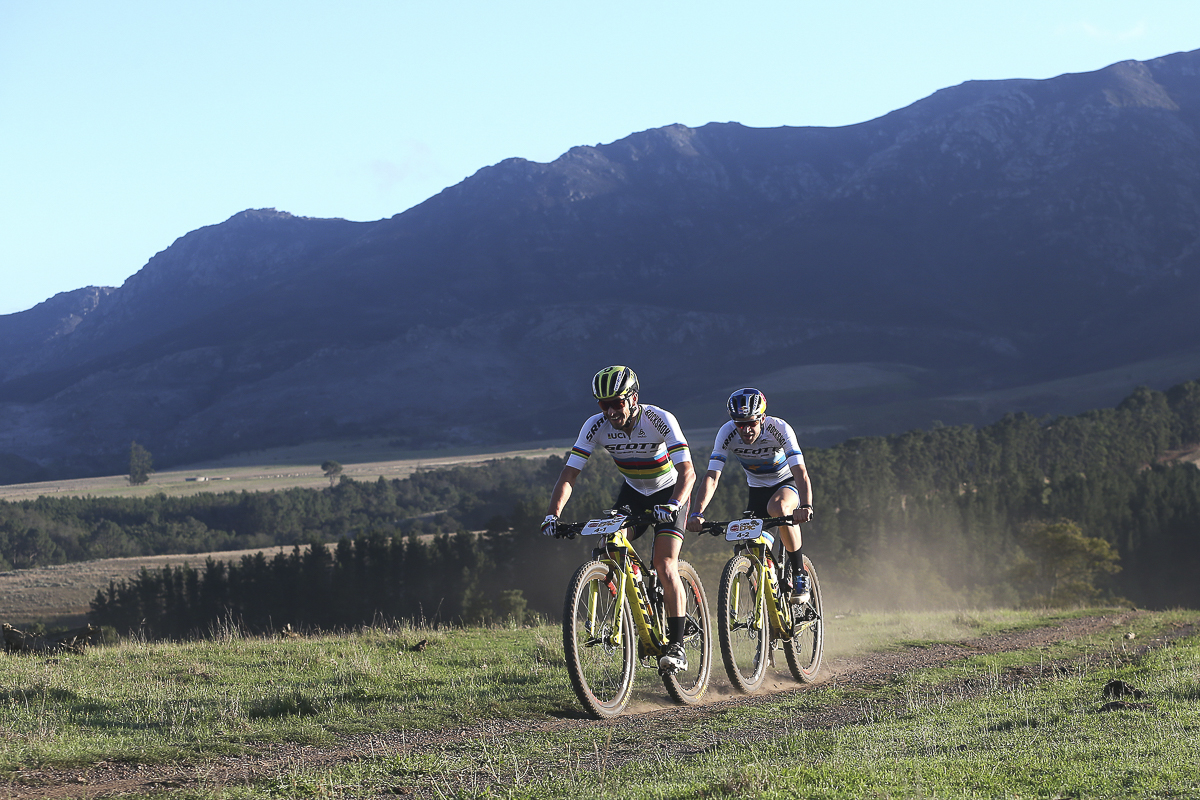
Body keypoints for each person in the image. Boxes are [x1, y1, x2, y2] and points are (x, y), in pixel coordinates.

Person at [542, 366, 696, 672]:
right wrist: (553, 515)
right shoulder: (595, 425)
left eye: (617, 402)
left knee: (665, 563)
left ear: (633, 398)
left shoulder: (658, 419)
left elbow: (688, 472)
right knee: (609, 542)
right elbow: (569, 474)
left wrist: (676, 504)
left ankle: (676, 645)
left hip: (670, 493)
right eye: (603, 404)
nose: (611, 410)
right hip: (634, 493)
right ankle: (636, 603)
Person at [685, 388, 815, 602]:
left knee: (779, 508)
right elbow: (712, 477)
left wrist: (806, 506)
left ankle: (799, 572)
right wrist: (697, 512)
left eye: (751, 423)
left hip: (786, 483)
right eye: (739, 423)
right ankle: (768, 610)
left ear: (762, 418)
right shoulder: (727, 432)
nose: (745, 430)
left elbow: (800, 472)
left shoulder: (779, 428)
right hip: (757, 491)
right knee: (750, 545)